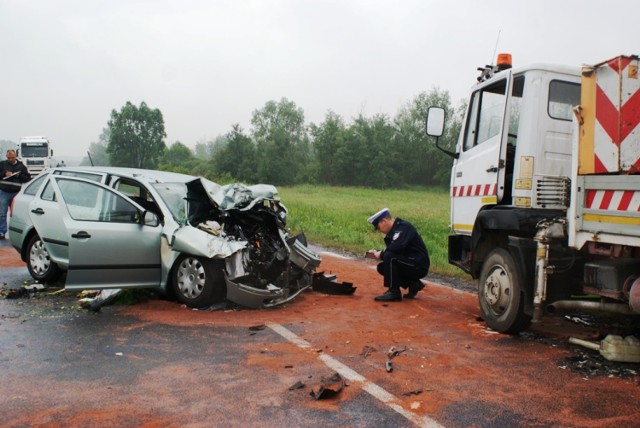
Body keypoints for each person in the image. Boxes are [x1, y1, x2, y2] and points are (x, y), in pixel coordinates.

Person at [366, 208, 430, 302]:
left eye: (378, 227)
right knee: (382, 267)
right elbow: (394, 250)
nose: (379, 230)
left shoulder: (403, 227)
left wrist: (382, 254)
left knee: (389, 257)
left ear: (384, 221)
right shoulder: (393, 231)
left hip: (418, 265)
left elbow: (396, 247)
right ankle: (413, 284)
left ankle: (394, 292)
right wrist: (377, 252)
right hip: (409, 262)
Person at [0, 149, 31, 239]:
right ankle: (2, 231)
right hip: (4, 192)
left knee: (16, 214)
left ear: (16, 156)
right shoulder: (2, 164)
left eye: (12, 157)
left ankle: (17, 233)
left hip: (16, 193)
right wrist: (4, 174)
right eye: (9, 158)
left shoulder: (21, 166)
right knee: (2, 213)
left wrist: (19, 175)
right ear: (6, 157)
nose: (11, 159)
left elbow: (27, 178)